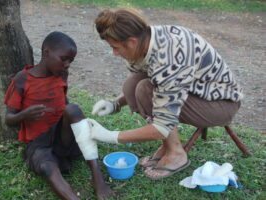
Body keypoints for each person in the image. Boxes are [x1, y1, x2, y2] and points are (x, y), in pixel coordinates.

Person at [89, 8, 243, 180]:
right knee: (132, 85)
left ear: (132, 41)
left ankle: (177, 154)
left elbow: (162, 126)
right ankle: (169, 146)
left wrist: (111, 136)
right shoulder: (149, 39)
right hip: (197, 92)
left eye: (115, 47)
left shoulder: (168, 59)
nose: (114, 53)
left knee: (145, 89)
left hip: (220, 104)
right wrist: (115, 103)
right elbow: (160, 86)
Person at [4, 31, 114, 200]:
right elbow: (8, 119)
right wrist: (24, 115)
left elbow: (64, 101)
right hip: (39, 145)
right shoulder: (22, 80)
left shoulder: (61, 74)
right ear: (46, 53)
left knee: (73, 108)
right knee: (48, 167)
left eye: (71, 61)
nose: (67, 64)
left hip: (62, 139)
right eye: (64, 59)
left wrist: (73, 121)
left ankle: (97, 178)